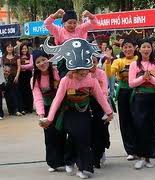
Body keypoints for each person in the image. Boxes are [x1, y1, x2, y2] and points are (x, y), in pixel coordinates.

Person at [40, 38, 113, 179]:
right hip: (68, 112)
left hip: (84, 112)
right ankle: (70, 160)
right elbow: (57, 100)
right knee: (75, 136)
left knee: (84, 138)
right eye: (80, 73)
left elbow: (101, 97)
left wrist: (109, 112)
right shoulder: (66, 81)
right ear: (72, 70)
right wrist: (49, 118)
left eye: (86, 72)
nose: (84, 75)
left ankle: (84, 168)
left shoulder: (91, 80)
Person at [129, 38, 155, 169]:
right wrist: (143, 77)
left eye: (148, 47)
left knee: (152, 127)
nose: (146, 49)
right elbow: (131, 83)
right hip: (139, 98)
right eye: (144, 47)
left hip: (153, 98)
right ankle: (140, 156)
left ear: (152, 49)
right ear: (139, 49)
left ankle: (149, 157)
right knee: (139, 127)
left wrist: (150, 78)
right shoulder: (134, 65)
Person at [31, 50, 66, 172]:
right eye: (38, 62)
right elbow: (38, 97)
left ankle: (65, 160)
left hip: (60, 108)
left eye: (43, 60)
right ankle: (53, 162)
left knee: (61, 133)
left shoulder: (56, 72)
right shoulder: (34, 79)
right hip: (46, 109)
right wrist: (41, 114)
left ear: (48, 59)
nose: (42, 63)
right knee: (49, 136)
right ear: (35, 64)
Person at [104, 38, 138, 161]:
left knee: (138, 120)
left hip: (138, 93)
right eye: (125, 47)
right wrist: (108, 62)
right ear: (122, 49)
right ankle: (130, 150)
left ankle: (139, 148)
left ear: (135, 47)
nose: (128, 49)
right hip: (124, 92)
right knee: (125, 121)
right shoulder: (118, 61)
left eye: (130, 46)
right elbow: (109, 75)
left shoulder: (139, 60)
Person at [44, 9, 97, 78]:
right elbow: (47, 24)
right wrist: (55, 15)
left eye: (74, 23)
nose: (72, 25)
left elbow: (94, 22)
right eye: (69, 23)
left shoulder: (80, 29)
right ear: (64, 22)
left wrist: (90, 15)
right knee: (67, 83)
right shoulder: (59, 31)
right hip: (64, 63)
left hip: (80, 63)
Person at [89, 56, 111, 168]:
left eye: (94, 62)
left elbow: (104, 91)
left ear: (97, 62)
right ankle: (94, 157)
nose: (92, 64)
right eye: (89, 62)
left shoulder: (101, 73)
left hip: (101, 104)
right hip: (88, 105)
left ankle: (101, 151)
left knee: (102, 131)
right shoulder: (84, 73)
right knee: (92, 132)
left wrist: (105, 107)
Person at [1, 41, 22, 116]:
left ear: (13, 48)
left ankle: (16, 110)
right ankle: (10, 110)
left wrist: (17, 76)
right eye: (8, 47)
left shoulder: (16, 56)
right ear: (6, 48)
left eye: (11, 47)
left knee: (15, 94)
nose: (10, 48)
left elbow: (19, 67)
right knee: (7, 94)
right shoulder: (3, 57)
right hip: (6, 78)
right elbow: (2, 67)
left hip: (14, 77)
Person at [19, 42, 34, 114]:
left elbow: (31, 65)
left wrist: (21, 66)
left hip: (28, 75)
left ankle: (29, 108)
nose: (24, 50)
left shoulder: (30, 56)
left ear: (27, 49)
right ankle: (23, 108)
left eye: (25, 49)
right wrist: (22, 67)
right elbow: (17, 65)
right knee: (22, 91)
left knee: (29, 91)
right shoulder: (18, 56)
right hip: (21, 76)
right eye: (22, 49)